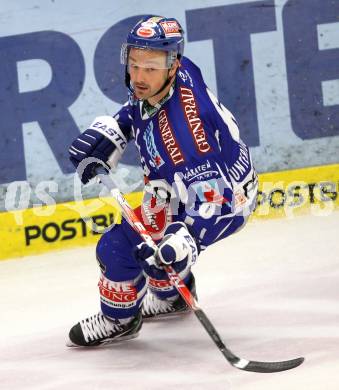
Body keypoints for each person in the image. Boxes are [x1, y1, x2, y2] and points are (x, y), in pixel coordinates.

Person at [67, 15, 258, 347]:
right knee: (152, 249)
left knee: (124, 249)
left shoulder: (188, 137)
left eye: (150, 68)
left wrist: (187, 239)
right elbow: (139, 107)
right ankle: (171, 298)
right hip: (180, 186)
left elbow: (213, 201)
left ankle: (120, 320)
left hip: (222, 199)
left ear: (172, 65)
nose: (139, 76)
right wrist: (115, 131)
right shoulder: (170, 75)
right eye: (135, 64)